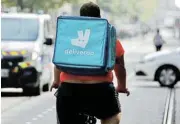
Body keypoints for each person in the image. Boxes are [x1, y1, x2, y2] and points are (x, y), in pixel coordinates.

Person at [51, 2, 130, 124]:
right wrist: (122, 86)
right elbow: (119, 67)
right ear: (99, 17)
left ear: (81, 16)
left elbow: (59, 63)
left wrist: (56, 82)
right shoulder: (110, 37)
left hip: (69, 90)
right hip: (100, 90)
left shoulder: (70, 35)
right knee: (112, 117)